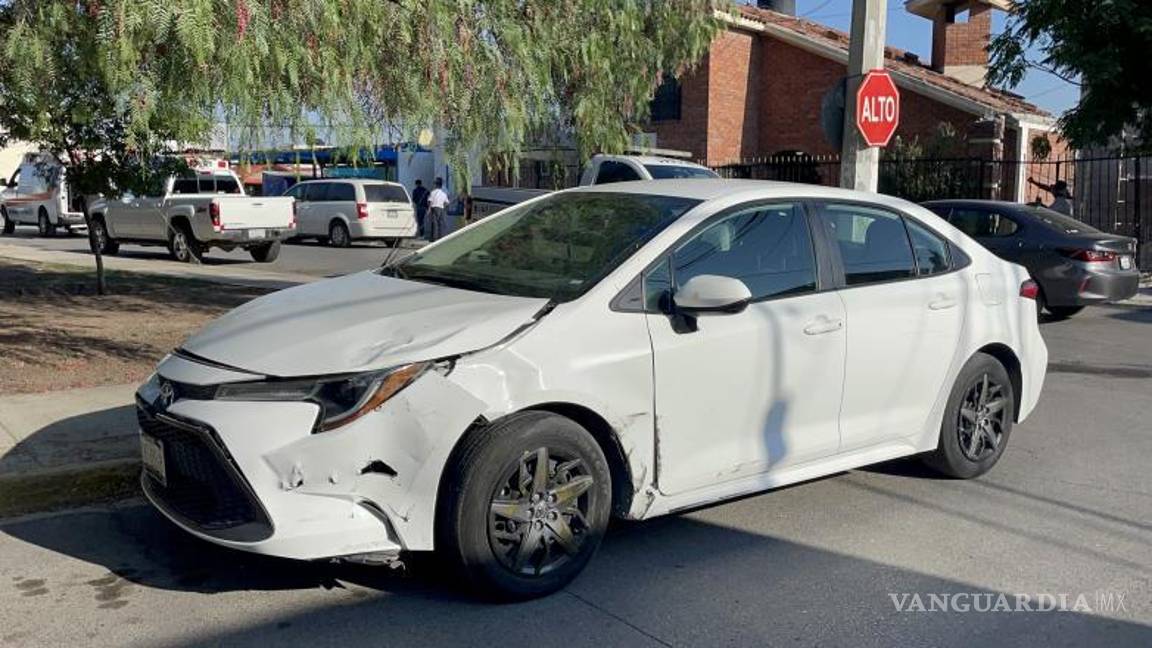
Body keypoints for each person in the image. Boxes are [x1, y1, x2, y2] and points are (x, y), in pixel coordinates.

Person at [427, 177, 450, 242]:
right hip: (441, 209)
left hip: (434, 208)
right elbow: (447, 203)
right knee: (441, 223)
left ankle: (434, 238)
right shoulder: (444, 193)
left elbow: (430, 201)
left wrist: (429, 209)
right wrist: (443, 207)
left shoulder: (433, 192)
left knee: (434, 224)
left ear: (436, 185)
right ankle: (441, 238)